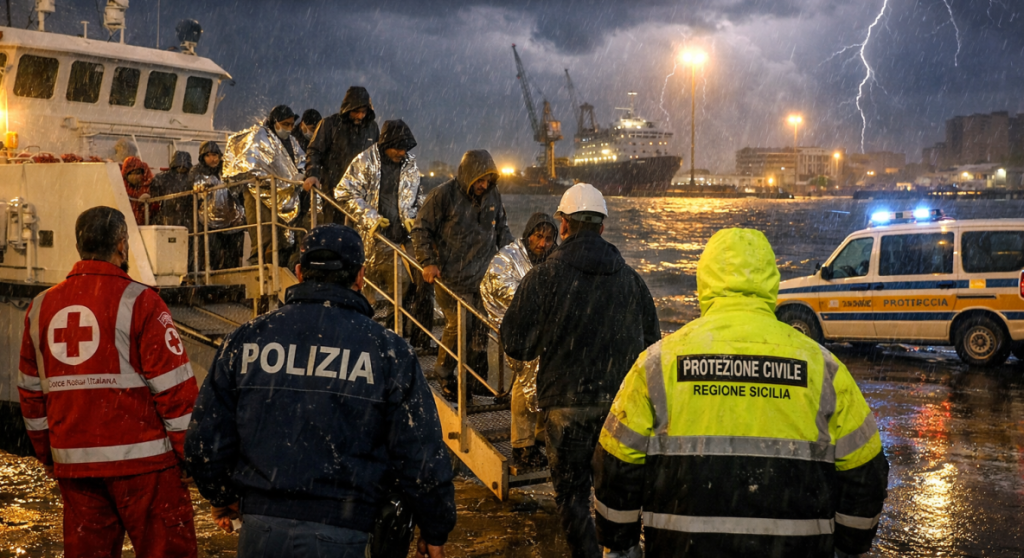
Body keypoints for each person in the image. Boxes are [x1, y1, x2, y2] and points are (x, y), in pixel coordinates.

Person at [593, 228, 889, 558]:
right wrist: (849, 546)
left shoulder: (656, 364)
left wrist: (621, 543)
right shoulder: (824, 369)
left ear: (704, 281)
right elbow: (866, 471)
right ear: (770, 282)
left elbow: (615, 464)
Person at [185, 223, 456, 558]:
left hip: (261, 531)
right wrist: (435, 527)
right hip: (345, 533)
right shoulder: (387, 351)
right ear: (360, 277)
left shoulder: (247, 340)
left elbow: (204, 439)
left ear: (299, 273)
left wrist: (222, 494)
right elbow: (421, 453)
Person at [18, 206, 199, 557]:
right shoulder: (142, 302)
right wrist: (190, 457)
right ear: (122, 245)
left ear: (79, 246)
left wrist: (49, 456)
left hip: (77, 470)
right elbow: (175, 391)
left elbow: (31, 395)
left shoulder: (40, 306)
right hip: (145, 467)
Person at [501, 183, 660, 558]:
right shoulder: (632, 281)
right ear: (602, 227)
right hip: (619, 409)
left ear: (564, 225)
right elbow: (652, 348)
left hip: (565, 407)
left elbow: (515, 342)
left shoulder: (544, 277)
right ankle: (621, 550)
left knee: (572, 496)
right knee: (615, 495)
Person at [411, 149, 513, 398]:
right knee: (459, 325)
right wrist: (428, 262)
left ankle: (475, 381)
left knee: (481, 329)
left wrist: (515, 259)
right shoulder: (442, 195)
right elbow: (420, 229)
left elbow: (502, 230)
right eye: (479, 180)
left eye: (488, 180)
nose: (484, 184)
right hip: (451, 279)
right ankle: (444, 374)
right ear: (467, 176)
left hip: (482, 279)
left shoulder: (493, 196)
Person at [480, 212, 558, 467]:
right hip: (517, 329)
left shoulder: (555, 258)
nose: (543, 243)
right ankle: (522, 446)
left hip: (547, 332)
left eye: (548, 238)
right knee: (526, 382)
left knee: (545, 381)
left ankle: (538, 440)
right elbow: (501, 286)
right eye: (538, 236)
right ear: (528, 234)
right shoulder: (509, 257)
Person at [335, 119, 423, 325]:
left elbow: (417, 195)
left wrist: (413, 217)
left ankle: (399, 329)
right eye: (398, 148)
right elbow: (343, 192)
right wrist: (371, 218)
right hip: (376, 236)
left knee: (410, 282)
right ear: (386, 144)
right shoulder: (364, 161)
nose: (402, 153)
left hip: (402, 235)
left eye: (404, 149)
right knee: (388, 283)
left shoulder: (409, 164)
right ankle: (376, 328)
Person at [222, 104, 306, 267]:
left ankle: (273, 265)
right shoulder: (260, 136)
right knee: (263, 234)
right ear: (275, 122)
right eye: (286, 124)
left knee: (281, 236)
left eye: (291, 125)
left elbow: (300, 159)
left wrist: (299, 175)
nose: (289, 128)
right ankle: (259, 265)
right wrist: (281, 180)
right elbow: (252, 163)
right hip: (257, 193)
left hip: (283, 195)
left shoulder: (291, 141)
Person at [303, 86, 380, 224]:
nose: (360, 115)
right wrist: (313, 174)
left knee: (359, 233)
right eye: (356, 111)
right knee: (334, 230)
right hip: (333, 190)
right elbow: (314, 151)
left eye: (363, 111)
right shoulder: (329, 124)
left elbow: (377, 157)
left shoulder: (372, 128)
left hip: (362, 194)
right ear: (347, 108)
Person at [190, 141, 245, 270]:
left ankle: (231, 280)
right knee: (211, 255)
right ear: (202, 157)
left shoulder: (228, 169)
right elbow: (194, 186)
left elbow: (238, 187)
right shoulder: (197, 171)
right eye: (208, 155)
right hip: (209, 220)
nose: (212, 159)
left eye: (214, 155)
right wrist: (203, 185)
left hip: (232, 218)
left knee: (232, 256)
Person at [150, 151, 193, 229]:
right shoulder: (192, 179)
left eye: (183, 167)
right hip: (177, 217)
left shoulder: (162, 178)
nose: (181, 169)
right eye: (179, 167)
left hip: (172, 217)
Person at [121, 156, 158, 226]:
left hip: (147, 226)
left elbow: (157, 208)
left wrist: (150, 202)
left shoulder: (151, 186)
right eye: (131, 173)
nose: (135, 176)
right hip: (128, 225)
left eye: (138, 173)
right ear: (125, 175)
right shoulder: (121, 188)